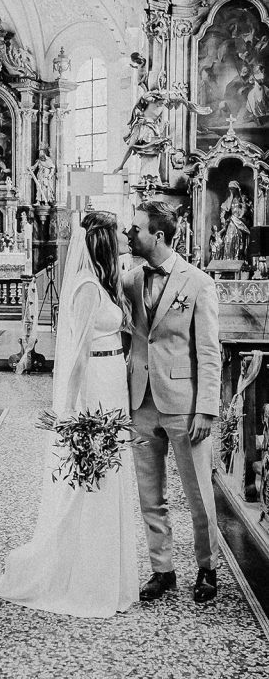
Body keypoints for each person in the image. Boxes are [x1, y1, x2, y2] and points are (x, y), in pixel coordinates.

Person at [0, 211, 139, 617]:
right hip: (95, 386)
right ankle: (86, 576)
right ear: (105, 241)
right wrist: (71, 412)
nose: (127, 236)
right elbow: (75, 356)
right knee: (94, 479)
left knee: (111, 475)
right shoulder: (87, 287)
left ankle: (107, 570)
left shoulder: (105, 282)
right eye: (120, 232)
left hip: (113, 382)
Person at [124, 201, 221, 604]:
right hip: (141, 401)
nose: (129, 235)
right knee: (150, 494)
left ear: (158, 235)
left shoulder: (197, 282)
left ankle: (208, 568)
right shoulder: (129, 280)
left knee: (198, 492)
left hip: (184, 402)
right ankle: (162, 570)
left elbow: (210, 351)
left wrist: (207, 408)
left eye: (136, 229)